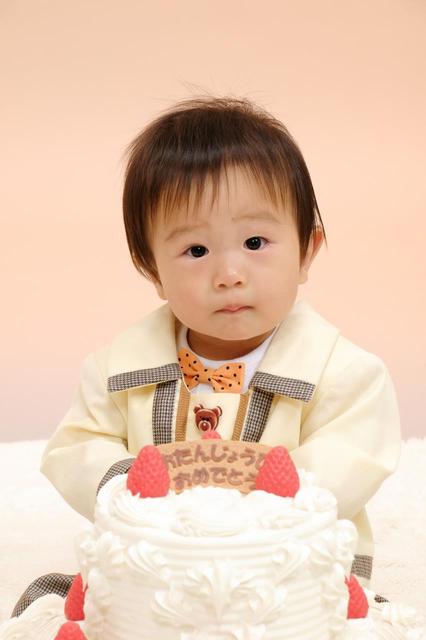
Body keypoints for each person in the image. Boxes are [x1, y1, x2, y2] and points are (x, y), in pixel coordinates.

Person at [10, 94, 401, 617]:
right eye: (196, 251)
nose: (229, 274)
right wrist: (129, 485)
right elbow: (76, 446)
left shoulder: (346, 373)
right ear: (152, 270)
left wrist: (247, 509)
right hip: (157, 577)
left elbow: (348, 461)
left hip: (289, 578)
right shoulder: (119, 368)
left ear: (307, 251)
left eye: (256, 242)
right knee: (57, 607)